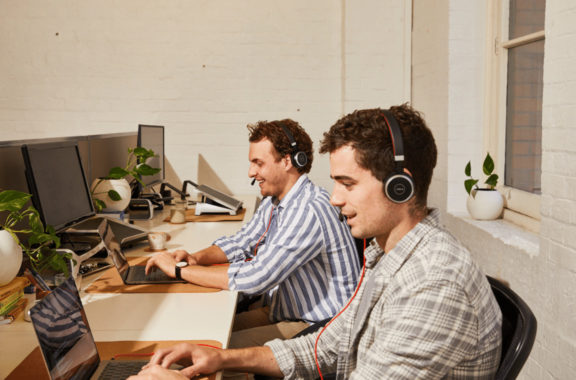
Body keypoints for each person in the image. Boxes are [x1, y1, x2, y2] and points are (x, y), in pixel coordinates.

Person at [129, 104, 502, 379]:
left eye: (348, 183)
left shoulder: (433, 283)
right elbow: (327, 346)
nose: (335, 198)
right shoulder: (386, 255)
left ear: (399, 185)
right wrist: (220, 358)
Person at [145, 118, 360, 346]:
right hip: (286, 309)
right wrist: (195, 258)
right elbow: (242, 241)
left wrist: (180, 271)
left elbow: (256, 277)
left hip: (320, 327)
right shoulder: (275, 201)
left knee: (212, 349)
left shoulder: (308, 210)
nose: (251, 172)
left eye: (258, 163)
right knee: (196, 332)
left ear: (287, 161)